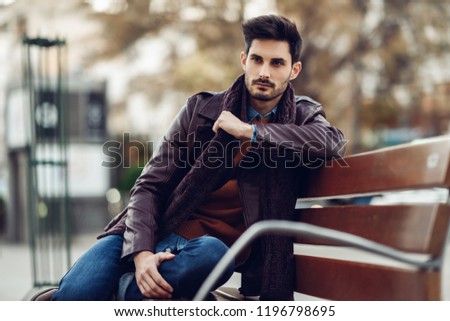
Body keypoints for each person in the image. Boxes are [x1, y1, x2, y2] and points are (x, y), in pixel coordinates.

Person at [43, 14, 345, 301]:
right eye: (257, 59)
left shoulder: (304, 115)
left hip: (203, 254)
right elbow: (149, 185)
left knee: (213, 255)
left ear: (294, 70)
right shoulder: (201, 109)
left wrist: (250, 132)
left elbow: (333, 142)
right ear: (244, 61)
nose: (264, 72)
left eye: (277, 63)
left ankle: (126, 291)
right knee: (75, 296)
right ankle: (129, 285)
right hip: (153, 230)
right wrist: (142, 254)